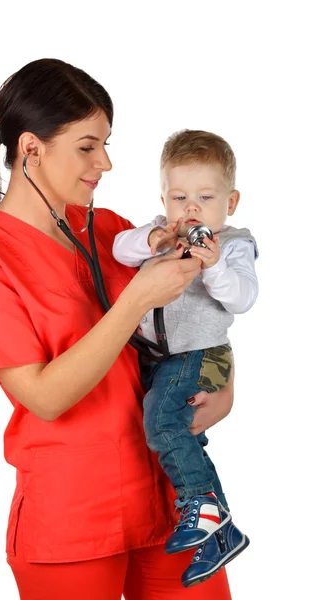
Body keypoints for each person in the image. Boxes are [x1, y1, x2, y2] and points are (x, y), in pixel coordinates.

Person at [0, 58, 235, 600]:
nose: (104, 162)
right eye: (87, 146)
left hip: (174, 499)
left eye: (106, 143)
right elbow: (44, 396)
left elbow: (195, 313)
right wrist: (133, 301)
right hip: (74, 518)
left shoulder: (113, 230)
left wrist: (225, 385)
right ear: (31, 148)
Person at [113, 129, 258, 586]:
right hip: (159, 356)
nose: (190, 208)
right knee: (177, 434)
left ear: (230, 202)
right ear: (163, 198)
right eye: (179, 197)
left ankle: (201, 502)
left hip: (200, 352)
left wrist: (213, 265)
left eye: (204, 196)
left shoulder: (233, 243)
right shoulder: (160, 230)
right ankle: (223, 532)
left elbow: (244, 298)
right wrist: (155, 236)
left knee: (160, 422)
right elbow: (119, 248)